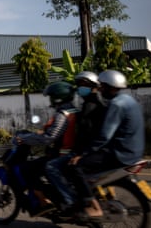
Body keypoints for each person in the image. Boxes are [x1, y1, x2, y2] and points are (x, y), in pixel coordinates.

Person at [69, 70, 145, 219]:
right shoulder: (129, 100)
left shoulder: (116, 104)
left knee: (76, 167)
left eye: (102, 87)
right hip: (135, 151)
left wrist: (82, 154)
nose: (100, 90)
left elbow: (104, 135)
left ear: (110, 87)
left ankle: (93, 206)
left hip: (120, 153)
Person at [45, 71, 107, 216]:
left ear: (94, 86)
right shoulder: (87, 105)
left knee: (51, 166)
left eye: (84, 85)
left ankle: (71, 202)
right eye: (79, 85)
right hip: (94, 149)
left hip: (88, 150)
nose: (80, 88)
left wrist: (79, 154)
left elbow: (85, 135)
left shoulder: (89, 106)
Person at [16, 81, 78, 217]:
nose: (50, 99)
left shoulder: (62, 115)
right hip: (69, 153)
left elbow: (49, 137)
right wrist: (36, 134)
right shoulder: (74, 110)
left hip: (61, 155)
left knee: (27, 168)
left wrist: (25, 139)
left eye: (51, 96)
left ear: (57, 97)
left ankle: (44, 202)